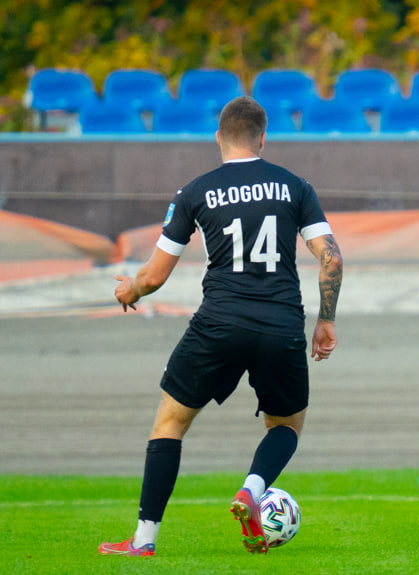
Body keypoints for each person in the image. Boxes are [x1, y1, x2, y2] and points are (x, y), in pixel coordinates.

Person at [99, 96, 343, 556]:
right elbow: (331, 257)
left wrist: (129, 291)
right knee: (285, 426)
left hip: (219, 323)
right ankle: (252, 488)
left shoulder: (195, 191)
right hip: (281, 323)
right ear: (263, 138)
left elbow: (153, 276)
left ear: (218, 137)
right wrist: (325, 321)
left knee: (170, 422)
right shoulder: (296, 187)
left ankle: (144, 539)